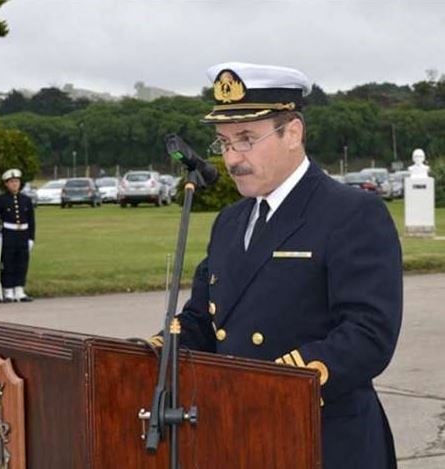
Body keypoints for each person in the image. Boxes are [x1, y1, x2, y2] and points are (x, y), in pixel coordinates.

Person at [150, 62, 402, 469]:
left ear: (293, 133)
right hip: (239, 435)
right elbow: (201, 321)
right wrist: (145, 357)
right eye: (224, 142)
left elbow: (368, 334)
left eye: (247, 139)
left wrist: (276, 384)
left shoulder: (351, 213)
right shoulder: (230, 222)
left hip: (322, 440)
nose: (232, 158)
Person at [0, 169, 36, 303]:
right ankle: (8, 290)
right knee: (8, 262)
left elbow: (31, 221)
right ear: (6, 184)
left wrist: (31, 238)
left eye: (17, 181)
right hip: (8, 234)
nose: (15, 184)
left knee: (22, 262)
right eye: (12, 182)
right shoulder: (0, 200)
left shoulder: (26, 200)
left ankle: (19, 289)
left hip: (23, 234)